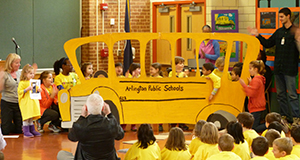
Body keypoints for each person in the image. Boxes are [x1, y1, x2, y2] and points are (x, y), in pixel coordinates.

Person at [248, 7, 300, 125]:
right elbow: (268, 43)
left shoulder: (295, 32)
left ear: (288, 16)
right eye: (279, 17)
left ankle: (297, 119)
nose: (280, 19)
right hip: (278, 69)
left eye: (282, 17)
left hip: (290, 69)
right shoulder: (279, 32)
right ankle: (285, 117)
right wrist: (258, 35)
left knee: (292, 95)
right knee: (281, 95)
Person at [57, 93, 124, 160]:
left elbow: (71, 137)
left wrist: (82, 117)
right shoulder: (111, 124)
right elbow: (120, 135)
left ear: (86, 108)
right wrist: (110, 114)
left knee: (61, 154)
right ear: (103, 108)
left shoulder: (80, 126)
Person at [239, 60, 266, 133]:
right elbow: (256, 90)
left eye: (250, 68)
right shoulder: (258, 78)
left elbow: (251, 93)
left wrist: (244, 85)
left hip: (256, 106)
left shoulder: (256, 79)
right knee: (254, 126)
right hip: (258, 105)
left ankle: (269, 125)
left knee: (253, 128)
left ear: (256, 69)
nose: (249, 70)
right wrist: (251, 83)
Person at [0, 53, 23, 135]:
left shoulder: (19, 73)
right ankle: (5, 125)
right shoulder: (5, 74)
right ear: (10, 63)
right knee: (6, 131)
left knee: (19, 130)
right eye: (16, 63)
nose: (19, 65)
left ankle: (9, 125)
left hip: (18, 103)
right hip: (7, 103)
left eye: (19, 62)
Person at [17, 64, 41, 137]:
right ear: (25, 74)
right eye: (30, 73)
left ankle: (32, 130)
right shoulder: (22, 83)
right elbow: (19, 92)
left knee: (31, 117)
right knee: (26, 117)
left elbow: (35, 91)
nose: (32, 75)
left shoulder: (33, 82)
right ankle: (26, 131)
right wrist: (26, 89)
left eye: (33, 73)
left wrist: (39, 90)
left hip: (32, 102)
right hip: (26, 103)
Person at [150, 62, 164, 131]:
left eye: (152, 69)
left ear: (157, 70)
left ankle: (160, 124)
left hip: (159, 97)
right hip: (152, 97)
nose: (150, 71)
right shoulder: (150, 78)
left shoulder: (160, 78)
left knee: (159, 111)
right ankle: (149, 125)